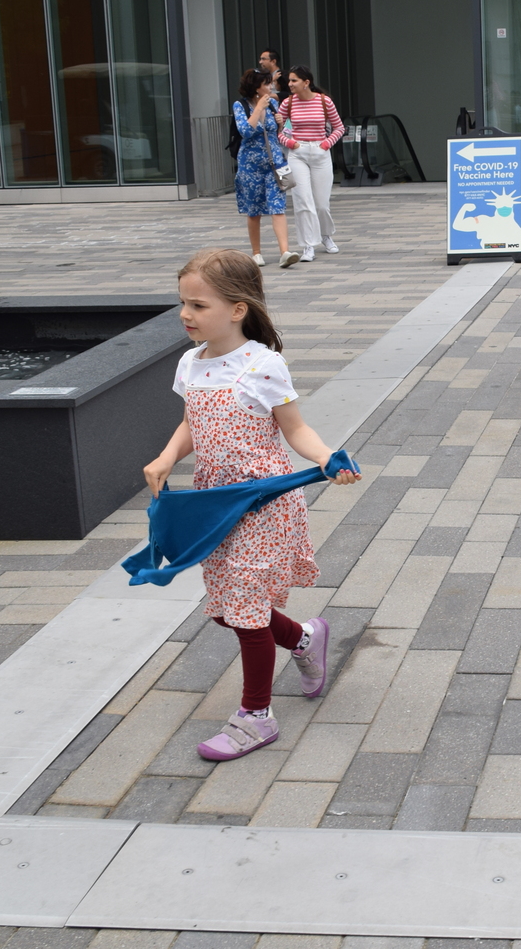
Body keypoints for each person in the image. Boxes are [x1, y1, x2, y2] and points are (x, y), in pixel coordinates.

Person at [142, 248, 359, 761]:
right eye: (183, 303)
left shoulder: (263, 365)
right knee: (229, 612)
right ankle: (304, 639)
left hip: (263, 504)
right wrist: (167, 457)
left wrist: (326, 458)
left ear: (238, 309)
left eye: (198, 305)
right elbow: (192, 422)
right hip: (214, 505)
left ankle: (256, 717)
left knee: (244, 612)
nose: (186, 314)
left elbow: (296, 429)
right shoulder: (190, 364)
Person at [233, 69, 296, 269]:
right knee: (254, 210)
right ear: (255, 87)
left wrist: (280, 124)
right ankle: (256, 253)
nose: (271, 87)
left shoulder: (273, 104)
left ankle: (285, 252)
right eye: (267, 84)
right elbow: (245, 131)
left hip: (274, 163)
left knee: (278, 207)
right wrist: (258, 108)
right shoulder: (241, 105)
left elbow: (283, 131)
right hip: (250, 166)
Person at [278, 67, 343, 260]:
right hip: (298, 153)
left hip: (320, 152)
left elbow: (339, 128)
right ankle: (308, 245)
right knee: (302, 201)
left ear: (306, 82)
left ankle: (326, 235)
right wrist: (290, 143)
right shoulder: (288, 103)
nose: (290, 84)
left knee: (322, 204)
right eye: (289, 80)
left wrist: (326, 144)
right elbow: (277, 131)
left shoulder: (324, 101)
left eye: (294, 80)